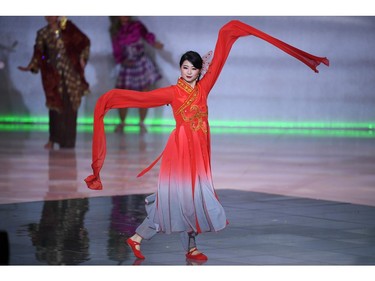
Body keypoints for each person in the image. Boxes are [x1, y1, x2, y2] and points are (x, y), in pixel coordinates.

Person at [85, 20, 329, 261]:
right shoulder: (172, 92)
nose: (189, 72)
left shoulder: (203, 88)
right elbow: (142, 98)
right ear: (180, 69)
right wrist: (110, 99)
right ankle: (142, 238)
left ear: (200, 70)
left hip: (199, 152)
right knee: (176, 199)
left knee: (195, 198)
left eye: (193, 68)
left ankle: (178, 245)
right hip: (180, 150)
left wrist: (228, 33)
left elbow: (219, 60)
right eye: (185, 68)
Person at [19, 16, 90, 149]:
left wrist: (82, 58)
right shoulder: (43, 33)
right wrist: (35, 64)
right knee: (55, 105)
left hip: (71, 72)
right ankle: (53, 138)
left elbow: (84, 42)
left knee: (70, 105)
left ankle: (68, 141)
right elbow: (40, 53)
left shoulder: (67, 27)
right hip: (53, 74)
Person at [109, 16, 163, 133]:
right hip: (127, 63)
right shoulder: (115, 30)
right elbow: (116, 49)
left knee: (144, 93)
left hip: (141, 62)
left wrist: (154, 43)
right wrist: (122, 60)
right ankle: (122, 122)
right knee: (123, 95)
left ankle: (141, 122)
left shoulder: (137, 25)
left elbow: (147, 35)